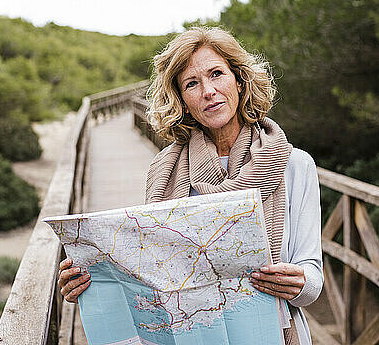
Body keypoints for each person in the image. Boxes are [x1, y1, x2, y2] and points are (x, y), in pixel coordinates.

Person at [58, 26, 323, 344]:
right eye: (192, 83)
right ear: (182, 100)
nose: (208, 91)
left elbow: (313, 277)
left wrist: (300, 282)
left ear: (239, 81)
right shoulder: (164, 171)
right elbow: (148, 273)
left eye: (216, 74)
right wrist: (91, 280)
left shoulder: (295, 165)